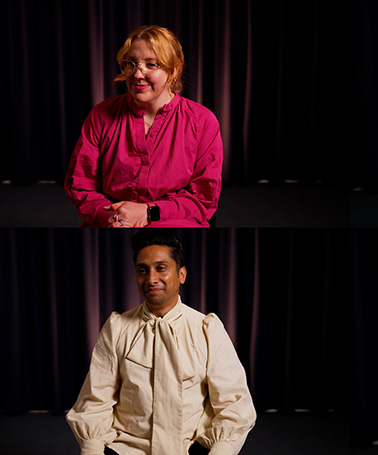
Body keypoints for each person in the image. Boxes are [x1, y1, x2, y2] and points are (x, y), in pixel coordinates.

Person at [66, 230, 256, 454]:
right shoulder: (117, 328)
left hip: (191, 447)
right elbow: (95, 401)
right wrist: (93, 450)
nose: (151, 279)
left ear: (181, 274)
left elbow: (233, 404)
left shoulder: (207, 329)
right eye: (142, 271)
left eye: (161, 268)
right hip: (127, 448)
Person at [65, 25, 223, 227]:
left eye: (152, 65)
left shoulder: (203, 122)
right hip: (111, 220)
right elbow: (80, 185)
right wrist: (113, 218)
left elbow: (203, 199)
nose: (138, 74)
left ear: (174, 69)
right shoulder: (101, 115)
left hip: (172, 222)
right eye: (131, 63)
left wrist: (149, 212)